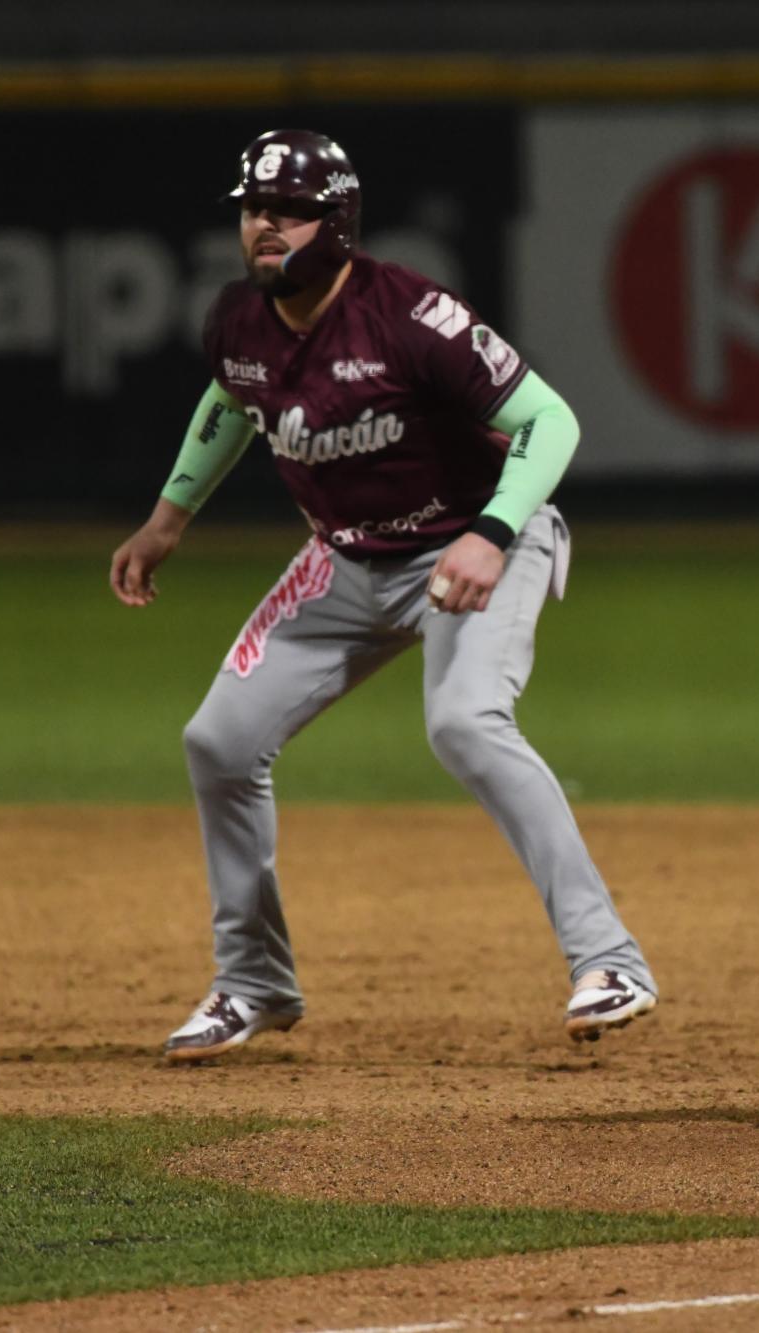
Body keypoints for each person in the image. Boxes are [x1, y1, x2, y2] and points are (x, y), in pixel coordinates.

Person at [110, 129, 657, 1061]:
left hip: (474, 543)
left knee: (465, 722)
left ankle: (611, 960)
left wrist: (493, 531)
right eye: (252, 210)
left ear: (338, 220)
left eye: (286, 210)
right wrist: (168, 519)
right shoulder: (239, 322)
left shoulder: (410, 315)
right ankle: (253, 983)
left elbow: (550, 419)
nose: (263, 227)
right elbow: (230, 401)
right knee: (219, 741)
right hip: (345, 561)